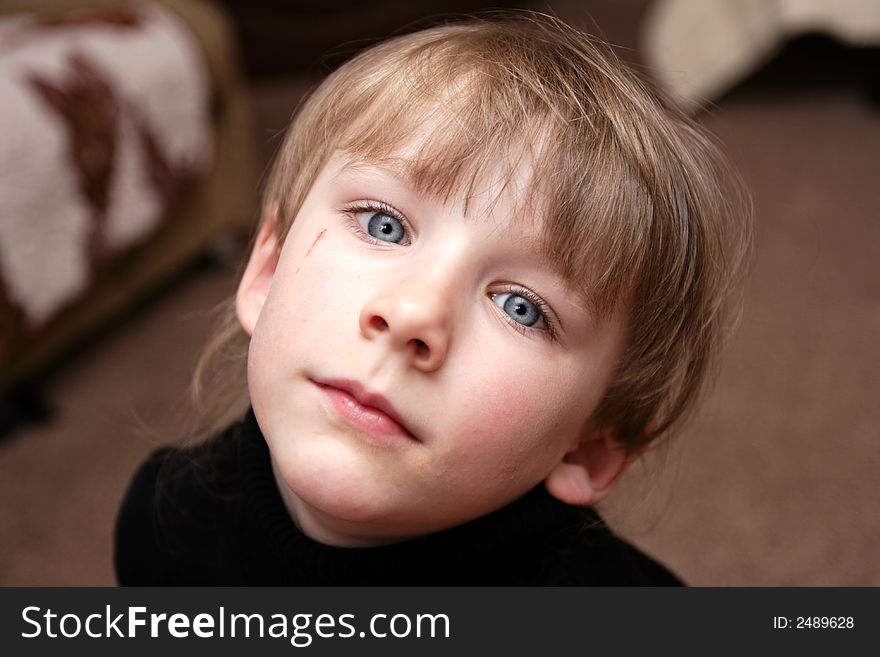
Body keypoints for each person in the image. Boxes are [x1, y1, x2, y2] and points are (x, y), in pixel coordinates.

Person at [114, 12, 752, 585]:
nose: (413, 313)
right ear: (268, 269)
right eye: (382, 224)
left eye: (521, 307)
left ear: (587, 447)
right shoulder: (166, 519)